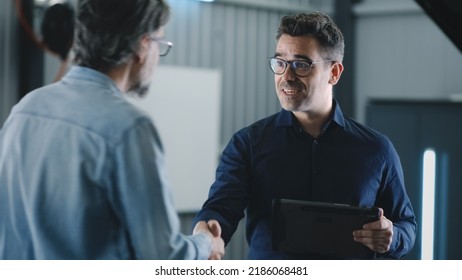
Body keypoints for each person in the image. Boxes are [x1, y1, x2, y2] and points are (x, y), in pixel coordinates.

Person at [0, 0, 224, 260]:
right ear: (143, 44)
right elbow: (162, 257)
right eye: (160, 43)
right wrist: (205, 243)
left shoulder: (25, 109)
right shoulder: (129, 128)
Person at [193, 12, 416, 259]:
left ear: (334, 73)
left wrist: (393, 236)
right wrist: (207, 230)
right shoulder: (248, 144)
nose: (286, 76)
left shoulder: (377, 150)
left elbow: (407, 226)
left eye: (301, 65)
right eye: (280, 63)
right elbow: (221, 208)